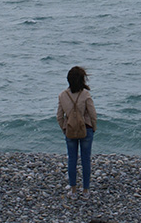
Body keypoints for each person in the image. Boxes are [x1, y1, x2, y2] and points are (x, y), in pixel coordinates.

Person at [56, 66, 97, 196]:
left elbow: (59, 116)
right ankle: (85, 190)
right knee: (86, 159)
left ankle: (73, 189)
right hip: (86, 129)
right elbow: (92, 114)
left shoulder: (63, 95)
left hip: (70, 130)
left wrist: (64, 128)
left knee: (72, 159)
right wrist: (93, 127)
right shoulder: (85, 94)